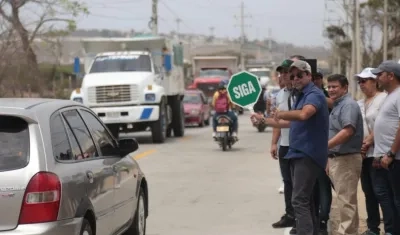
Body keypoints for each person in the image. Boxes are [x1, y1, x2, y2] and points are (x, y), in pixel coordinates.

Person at [254, 60, 329, 235]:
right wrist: (263, 120)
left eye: (300, 75)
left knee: (299, 200)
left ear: (309, 75)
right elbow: (288, 122)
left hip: (307, 154)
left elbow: (304, 114)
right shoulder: (300, 95)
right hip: (298, 153)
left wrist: (280, 113)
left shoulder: (314, 94)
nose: (295, 79)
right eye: (293, 76)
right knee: (306, 200)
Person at [326, 74, 363, 235]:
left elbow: (348, 131)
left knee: (346, 201)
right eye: (329, 87)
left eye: (335, 86)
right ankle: (351, 232)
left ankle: (346, 232)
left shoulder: (348, 105)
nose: (331, 90)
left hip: (346, 159)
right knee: (345, 200)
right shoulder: (337, 105)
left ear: (345, 87)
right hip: (337, 158)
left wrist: (325, 146)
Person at [355, 67, 388, 235]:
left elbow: (383, 124)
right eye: (359, 81)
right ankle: (372, 227)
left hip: (378, 153)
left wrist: (368, 141)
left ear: (375, 81)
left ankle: (390, 227)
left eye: (364, 81)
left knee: (381, 191)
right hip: (363, 155)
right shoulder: (359, 103)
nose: (361, 84)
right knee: (368, 192)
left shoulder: (384, 99)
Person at [371, 60, 400, 235]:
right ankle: (391, 230)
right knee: (384, 196)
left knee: (397, 199)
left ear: (391, 76)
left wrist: (391, 152)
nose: (377, 78)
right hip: (383, 158)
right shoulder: (390, 95)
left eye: (380, 74)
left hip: (394, 158)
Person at [312, 68, 333, 235]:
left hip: (326, 149)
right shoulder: (305, 96)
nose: (316, 81)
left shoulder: (328, 97)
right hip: (310, 150)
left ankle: (323, 221)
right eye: (314, 78)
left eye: (318, 78)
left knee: (324, 187)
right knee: (312, 189)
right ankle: (314, 220)